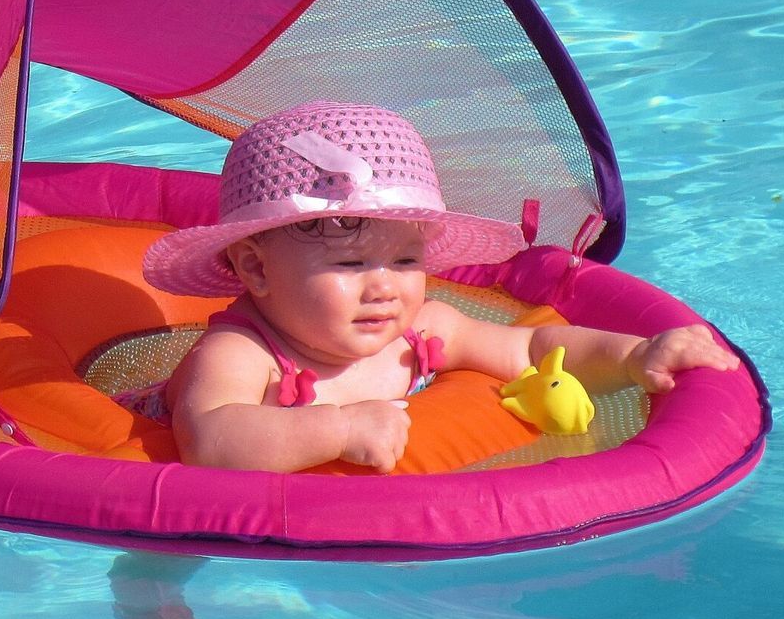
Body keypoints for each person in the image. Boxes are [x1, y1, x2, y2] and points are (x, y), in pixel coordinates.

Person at [137, 101, 740, 473]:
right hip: (182, 490)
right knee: (168, 550)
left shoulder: (423, 330)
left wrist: (636, 358)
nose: (385, 289)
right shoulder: (239, 356)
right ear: (257, 269)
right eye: (349, 267)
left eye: (405, 260)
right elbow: (211, 443)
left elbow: (534, 351)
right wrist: (339, 430)